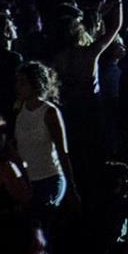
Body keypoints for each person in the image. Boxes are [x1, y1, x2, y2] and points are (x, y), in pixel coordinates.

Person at [14, 60, 78, 225]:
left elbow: (62, 152)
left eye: (23, 83)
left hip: (50, 178)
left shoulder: (49, 112)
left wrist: (71, 187)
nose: (18, 87)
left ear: (35, 84)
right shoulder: (19, 111)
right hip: (29, 181)